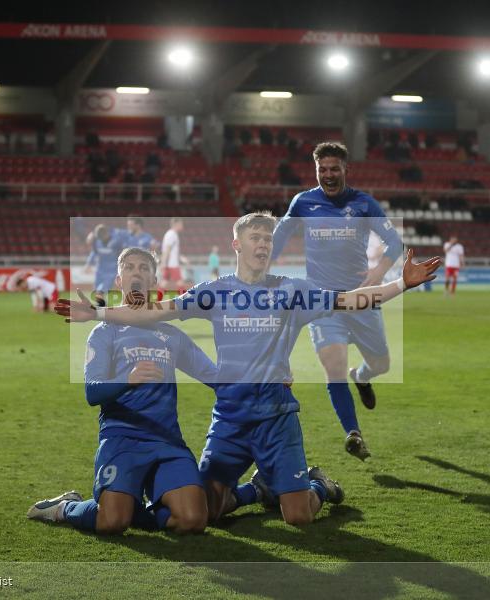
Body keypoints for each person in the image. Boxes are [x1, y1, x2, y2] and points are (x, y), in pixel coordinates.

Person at [56, 212, 441, 527]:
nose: (262, 244)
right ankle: (257, 490)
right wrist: (98, 313)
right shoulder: (214, 291)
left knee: (299, 517)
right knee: (205, 509)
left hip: (276, 415)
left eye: (268, 239)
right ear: (237, 244)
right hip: (231, 417)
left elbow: (350, 300)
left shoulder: (294, 291)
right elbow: (157, 310)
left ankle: (318, 486)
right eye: (254, 237)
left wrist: (399, 285)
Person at [28, 248, 216, 535]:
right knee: (112, 522)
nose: (136, 272)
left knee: (193, 520)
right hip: (121, 438)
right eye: (129, 268)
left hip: (166, 440)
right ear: (119, 280)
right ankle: (65, 507)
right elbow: (92, 394)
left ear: (154, 281)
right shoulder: (104, 333)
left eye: (143, 268)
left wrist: (268, 376)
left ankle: (134, 507)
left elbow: (216, 377)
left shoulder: (172, 335)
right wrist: (128, 379)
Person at [270, 142, 404, 461]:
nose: (328, 175)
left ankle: (363, 376)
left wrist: (379, 271)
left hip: (361, 298)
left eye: (334, 169)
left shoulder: (363, 203)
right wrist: (257, 269)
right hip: (322, 301)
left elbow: (395, 243)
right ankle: (353, 433)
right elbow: (278, 239)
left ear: (346, 169)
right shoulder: (304, 202)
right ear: (315, 170)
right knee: (333, 366)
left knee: (382, 364)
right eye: (322, 170)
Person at [86, 224, 130, 307]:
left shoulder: (117, 240)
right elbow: (94, 252)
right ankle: (103, 307)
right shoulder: (97, 241)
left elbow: (124, 251)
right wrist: (89, 264)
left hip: (111, 270)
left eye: (102, 237)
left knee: (102, 290)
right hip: (100, 269)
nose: (101, 239)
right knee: (96, 291)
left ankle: (103, 309)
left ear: (106, 233)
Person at [160, 217, 188, 292]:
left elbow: (171, 251)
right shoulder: (172, 234)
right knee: (180, 283)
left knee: (164, 282)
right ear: (176, 224)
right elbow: (167, 250)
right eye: (181, 224)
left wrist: (181, 258)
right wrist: (163, 263)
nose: (182, 225)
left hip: (169, 264)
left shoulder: (171, 234)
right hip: (172, 264)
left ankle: (155, 299)